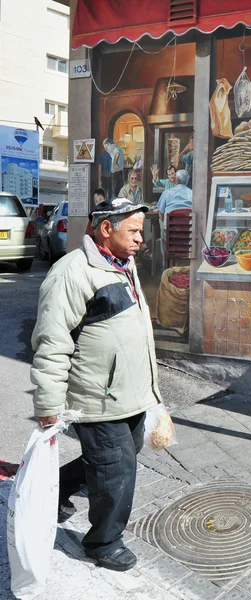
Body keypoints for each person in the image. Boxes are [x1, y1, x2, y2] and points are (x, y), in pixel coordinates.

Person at [31, 199, 162, 572]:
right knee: (117, 468)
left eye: (141, 231)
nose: (141, 238)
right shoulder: (72, 272)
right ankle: (103, 542)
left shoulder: (123, 264)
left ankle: (58, 490)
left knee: (121, 453)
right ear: (106, 229)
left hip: (131, 392)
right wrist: (48, 404)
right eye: (134, 231)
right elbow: (52, 343)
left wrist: (154, 393)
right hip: (97, 396)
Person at [157, 169, 192, 256]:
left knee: (163, 233)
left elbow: (160, 212)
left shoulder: (167, 193)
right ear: (187, 180)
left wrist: (164, 224)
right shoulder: (192, 194)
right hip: (188, 232)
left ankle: (166, 262)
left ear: (176, 179)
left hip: (170, 232)